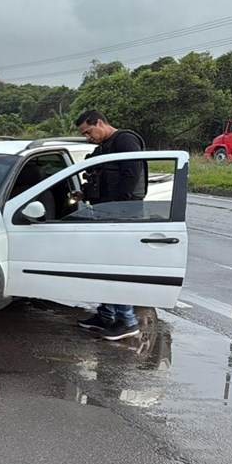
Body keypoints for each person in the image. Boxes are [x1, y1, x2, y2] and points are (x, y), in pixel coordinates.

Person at [73, 109, 147, 341]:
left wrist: (116, 208)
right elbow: (100, 179)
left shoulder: (125, 140)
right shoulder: (104, 147)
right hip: (108, 214)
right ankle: (106, 315)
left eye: (89, 132)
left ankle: (127, 321)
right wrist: (83, 192)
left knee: (117, 268)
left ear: (101, 123)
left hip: (123, 216)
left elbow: (131, 176)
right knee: (104, 267)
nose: (88, 137)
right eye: (85, 134)